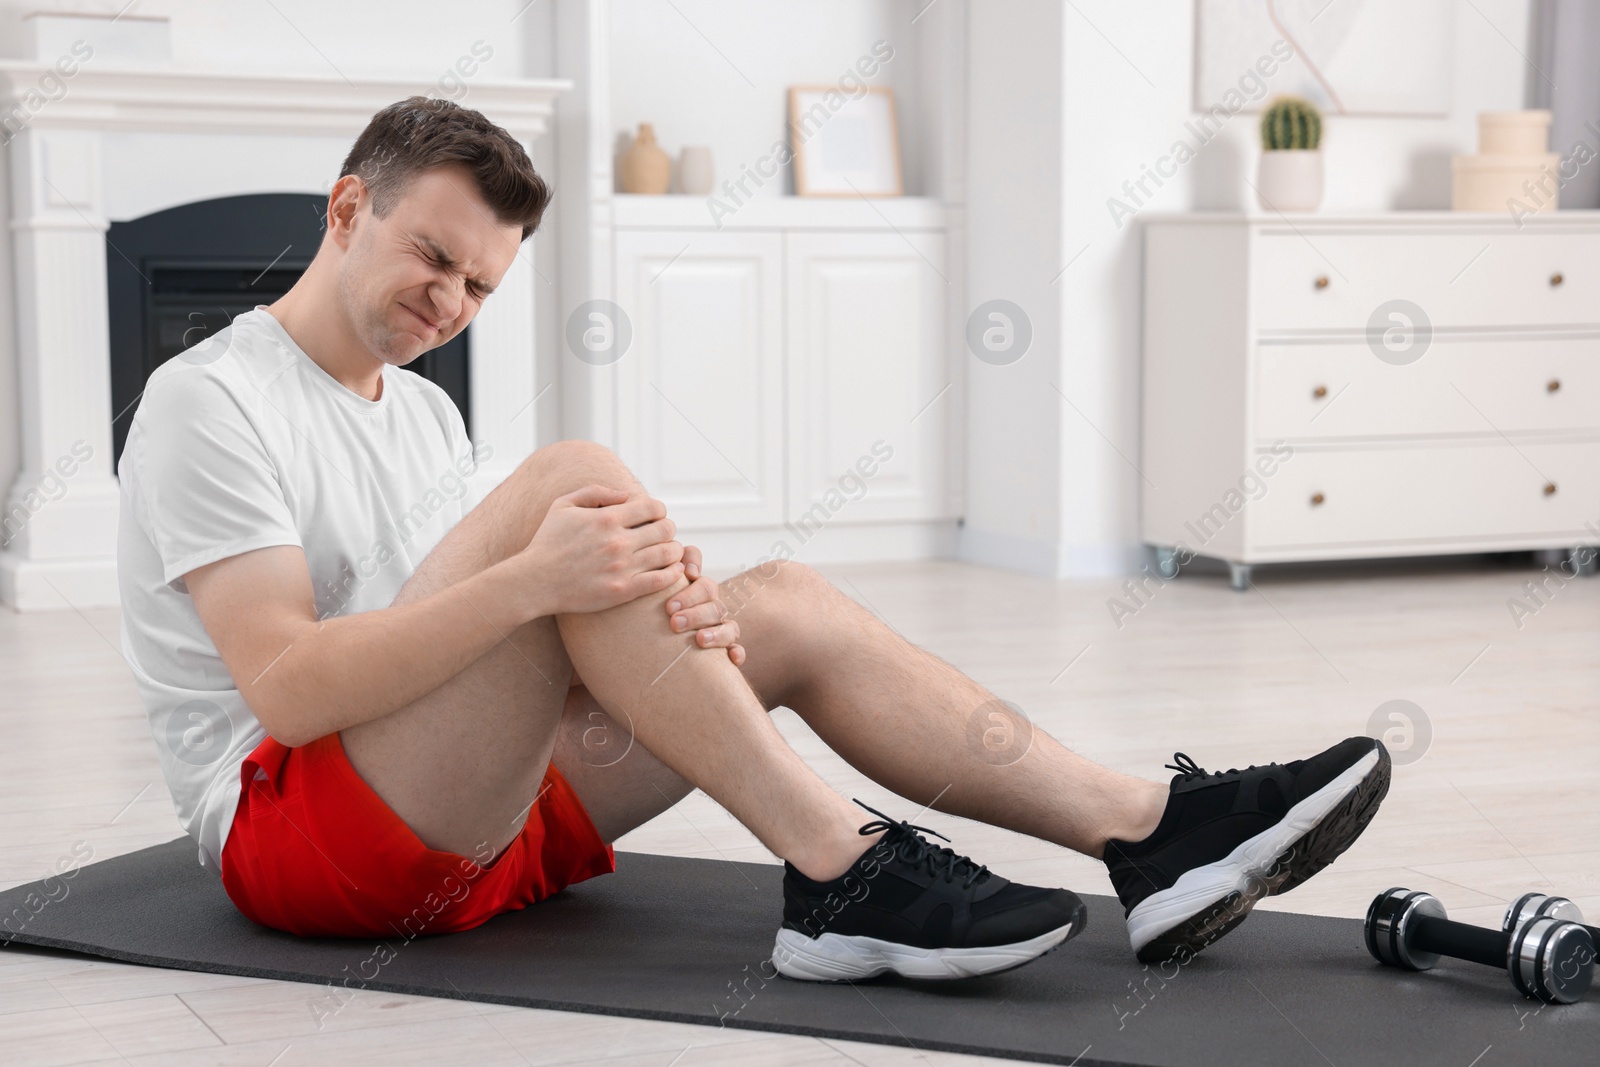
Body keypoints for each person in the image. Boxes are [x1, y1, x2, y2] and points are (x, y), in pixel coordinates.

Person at [116, 96, 1390, 981]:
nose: (447, 303)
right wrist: (537, 581)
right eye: (430, 257)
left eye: (478, 288)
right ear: (347, 209)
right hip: (299, 843)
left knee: (770, 595)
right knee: (570, 488)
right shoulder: (210, 401)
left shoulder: (423, 415)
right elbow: (285, 694)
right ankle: (839, 863)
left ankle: (1150, 831)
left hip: (473, 829)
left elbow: (488, 647)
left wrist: (670, 618)